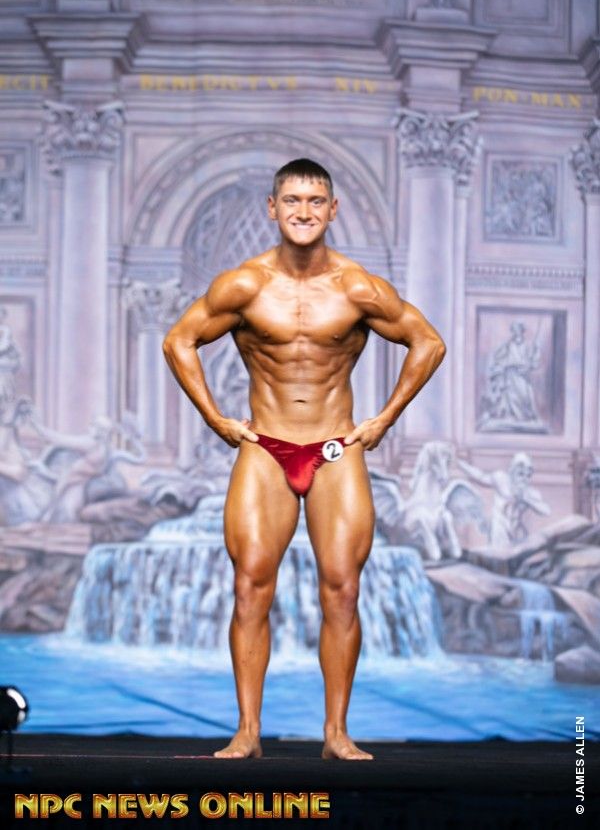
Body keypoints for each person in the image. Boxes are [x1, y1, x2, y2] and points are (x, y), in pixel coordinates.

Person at [163, 158, 445, 760]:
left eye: (316, 201)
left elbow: (428, 342)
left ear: (332, 210)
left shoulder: (356, 288)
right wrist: (215, 418)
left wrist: (384, 418)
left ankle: (336, 734)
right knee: (250, 587)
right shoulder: (245, 285)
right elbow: (178, 340)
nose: (303, 212)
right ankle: (247, 732)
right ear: (273, 208)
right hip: (265, 448)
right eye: (292, 200)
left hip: (335, 448)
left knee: (342, 590)